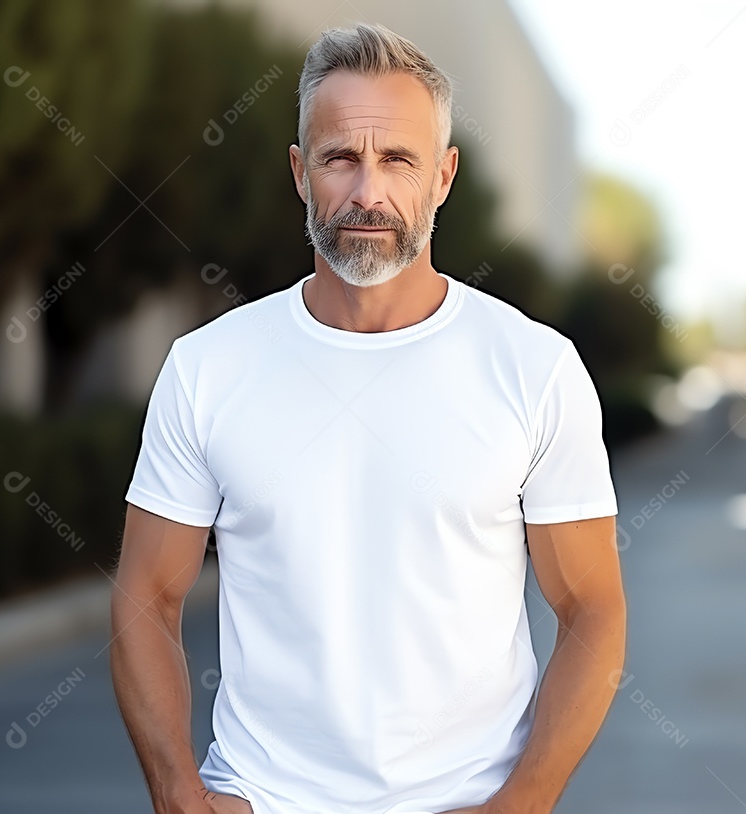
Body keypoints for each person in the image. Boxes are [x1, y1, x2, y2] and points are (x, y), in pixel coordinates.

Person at [110, 21, 626, 814]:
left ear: (444, 176)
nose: (367, 193)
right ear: (299, 171)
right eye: (340, 158)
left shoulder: (534, 367)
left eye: (398, 160)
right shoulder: (208, 367)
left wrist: (521, 804)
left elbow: (591, 608)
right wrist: (180, 795)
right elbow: (146, 594)